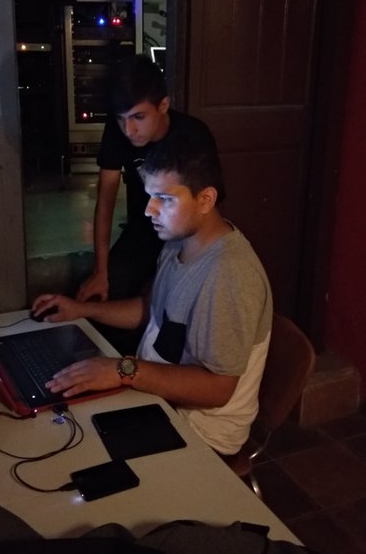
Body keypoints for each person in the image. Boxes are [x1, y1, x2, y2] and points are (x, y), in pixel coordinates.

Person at [32, 130, 273, 456]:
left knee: (72, 449)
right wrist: (81, 310)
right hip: (155, 396)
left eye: (166, 199)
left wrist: (123, 370)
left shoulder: (229, 274)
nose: (149, 210)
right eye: (150, 196)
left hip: (200, 431)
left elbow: (218, 388)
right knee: (53, 416)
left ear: (206, 199)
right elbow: (154, 310)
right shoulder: (178, 240)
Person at [76, 53, 224, 304]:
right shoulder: (118, 132)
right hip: (141, 230)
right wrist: (100, 271)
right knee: (102, 295)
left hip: (183, 235)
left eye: (138, 117)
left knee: (167, 299)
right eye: (121, 118)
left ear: (163, 106)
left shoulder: (193, 135)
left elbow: (207, 210)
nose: (129, 130)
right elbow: (105, 199)